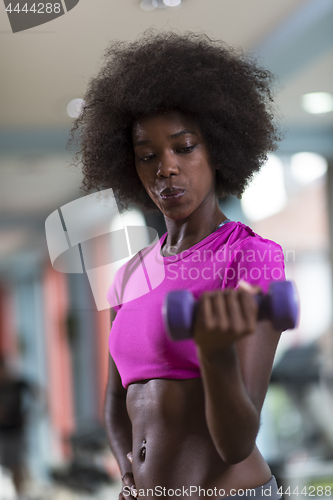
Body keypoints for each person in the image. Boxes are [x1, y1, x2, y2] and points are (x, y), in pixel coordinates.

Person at [69, 31, 286, 500]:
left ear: (219, 150)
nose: (165, 168)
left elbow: (236, 443)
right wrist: (130, 473)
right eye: (147, 156)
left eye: (184, 148)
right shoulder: (129, 273)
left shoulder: (251, 258)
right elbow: (114, 402)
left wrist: (214, 353)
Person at [0, 355, 33, 497]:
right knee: (9, 465)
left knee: (17, 464)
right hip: (3, 432)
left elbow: (36, 395)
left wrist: (27, 413)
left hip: (16, 430)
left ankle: (21, 494)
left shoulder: (18, 384)